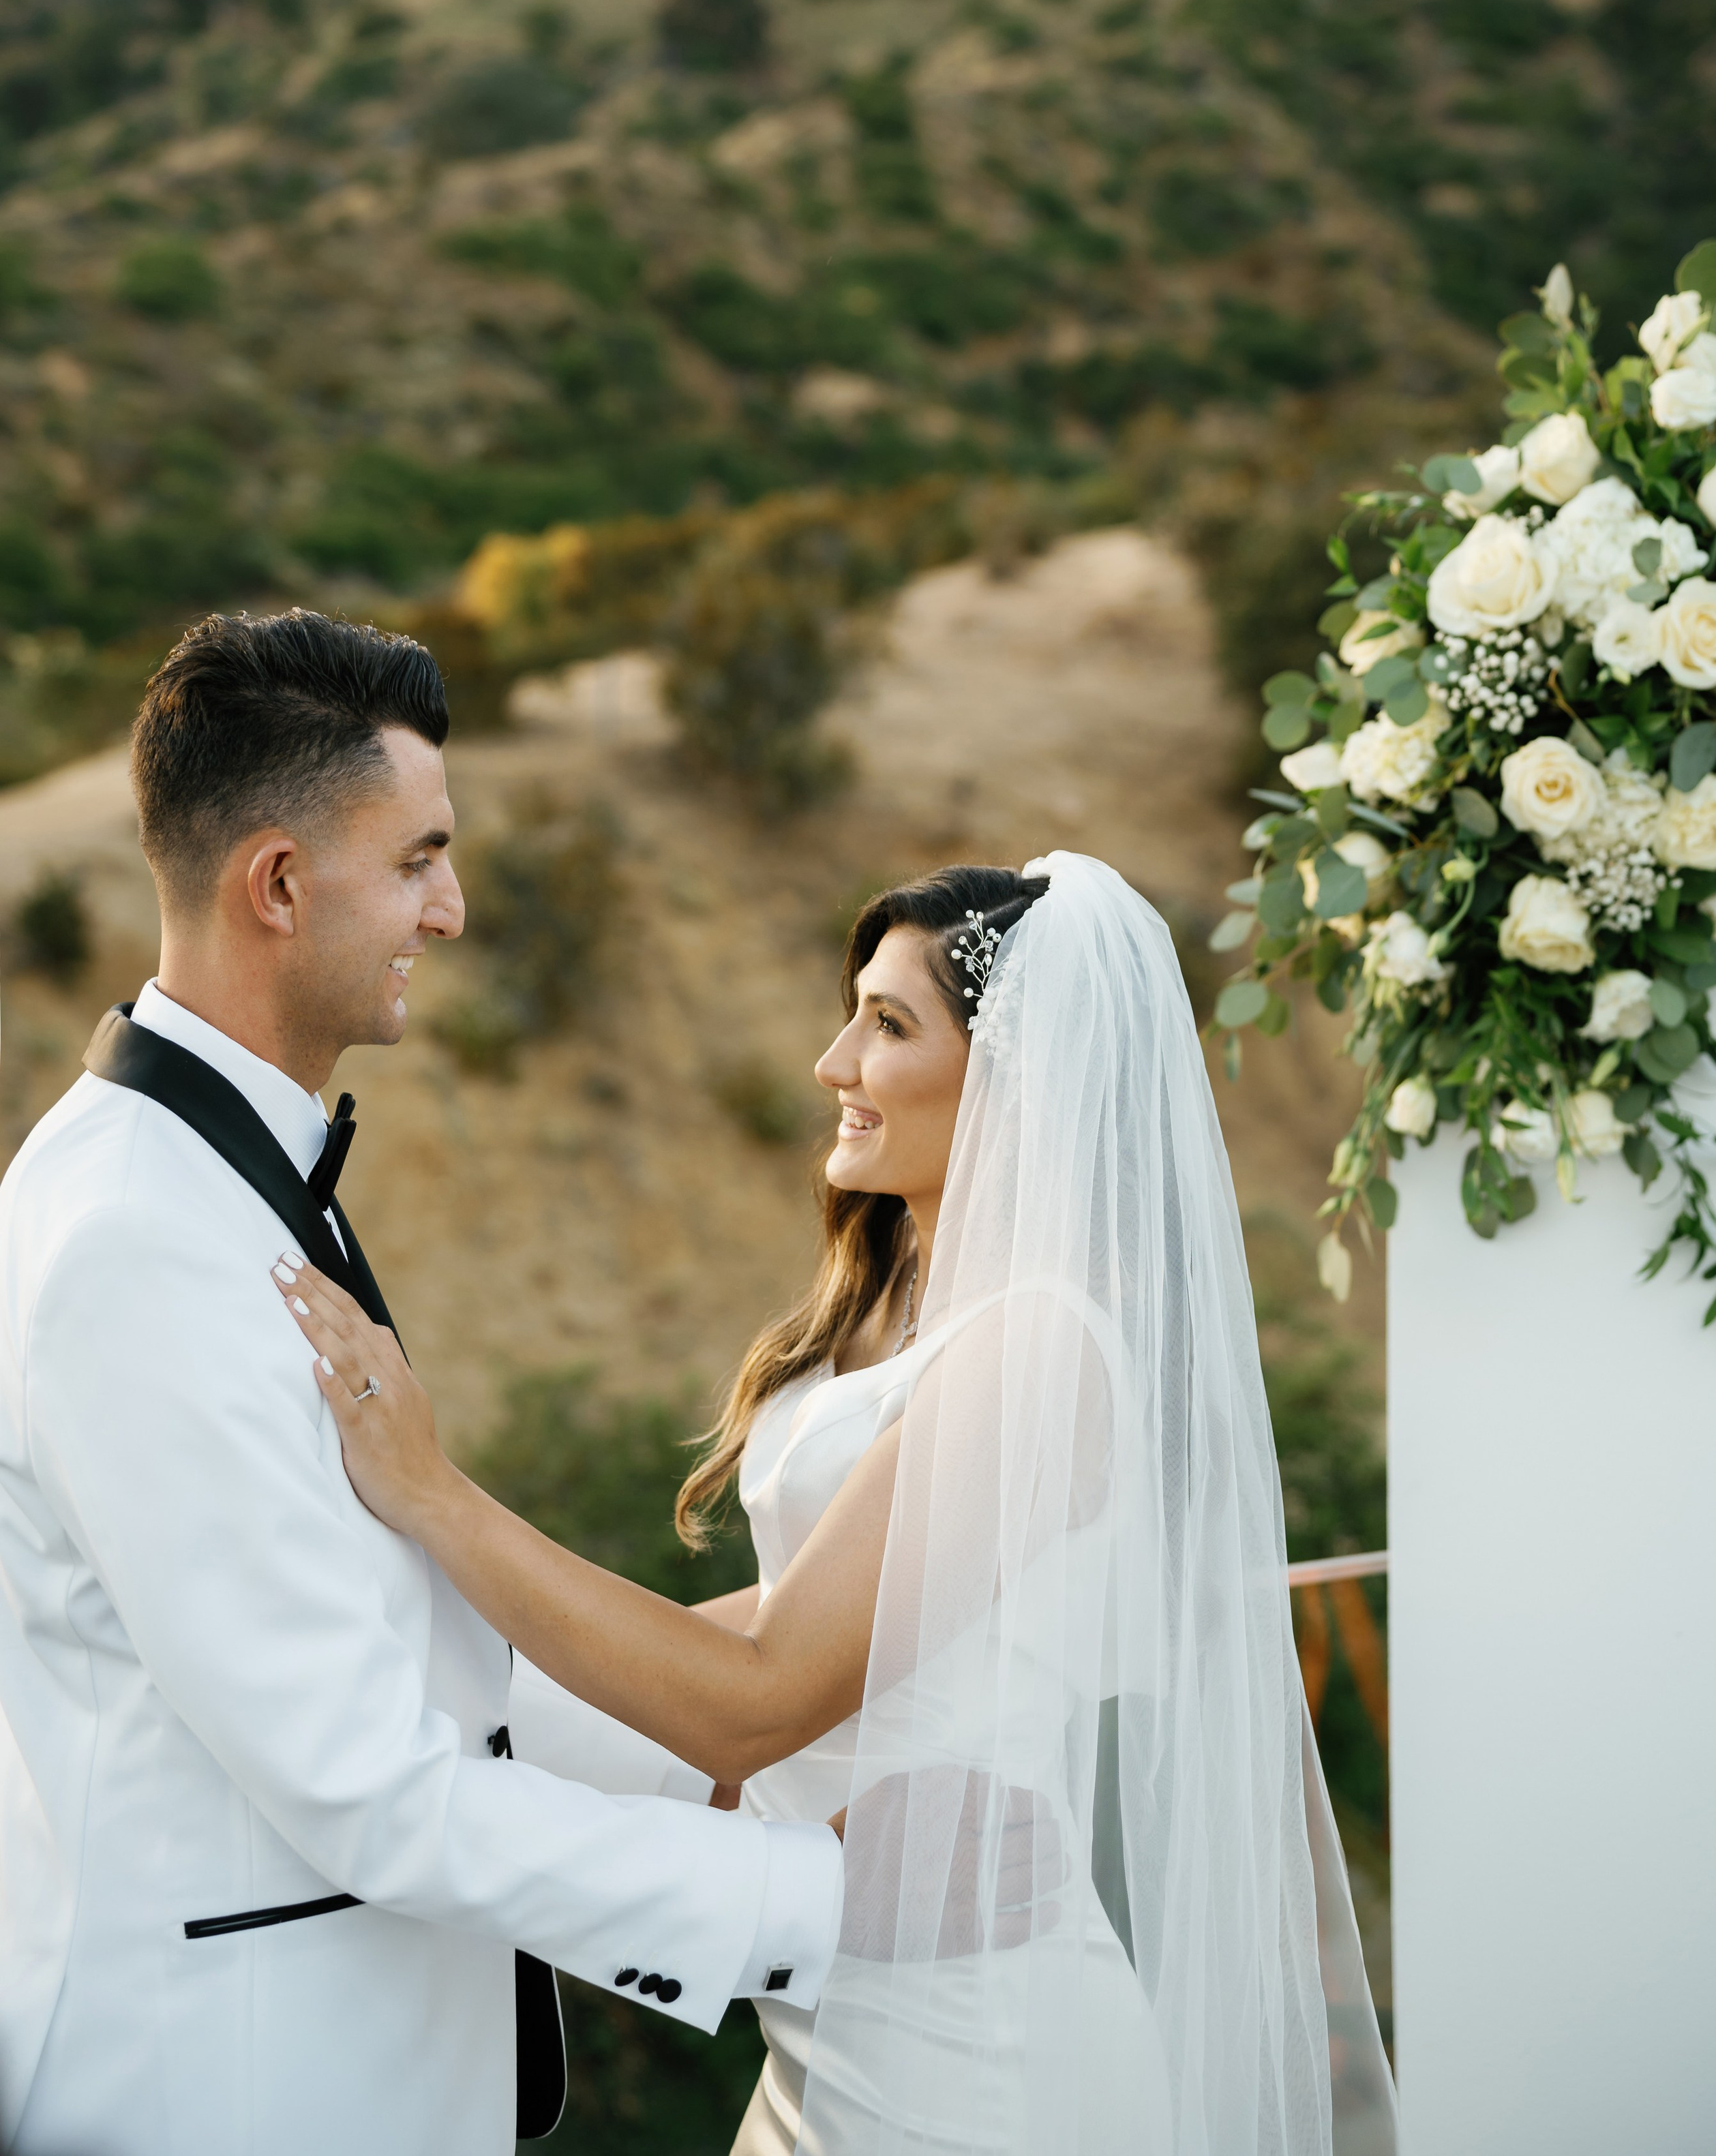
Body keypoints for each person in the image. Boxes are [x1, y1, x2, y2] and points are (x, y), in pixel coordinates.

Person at [277, 851, 1398, 2155]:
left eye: (889, 1023)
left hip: (979, 2041)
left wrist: (434, 1495)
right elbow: (794, 1606)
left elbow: (755, 1695)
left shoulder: (1043, 1345)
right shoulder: (897, 1304)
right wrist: (444, 1679)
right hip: (834, 1988)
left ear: (1017, 1082)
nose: (833, 1062)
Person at [0, 610, 843, 2156]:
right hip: (236, 2098)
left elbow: (394, 1651)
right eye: (419, 860)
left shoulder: (221, 1175)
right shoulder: (131, 1235)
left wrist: (758, 1721)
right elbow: (360, 1782)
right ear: (277, 882)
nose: (448, 912)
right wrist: (820, 1898)